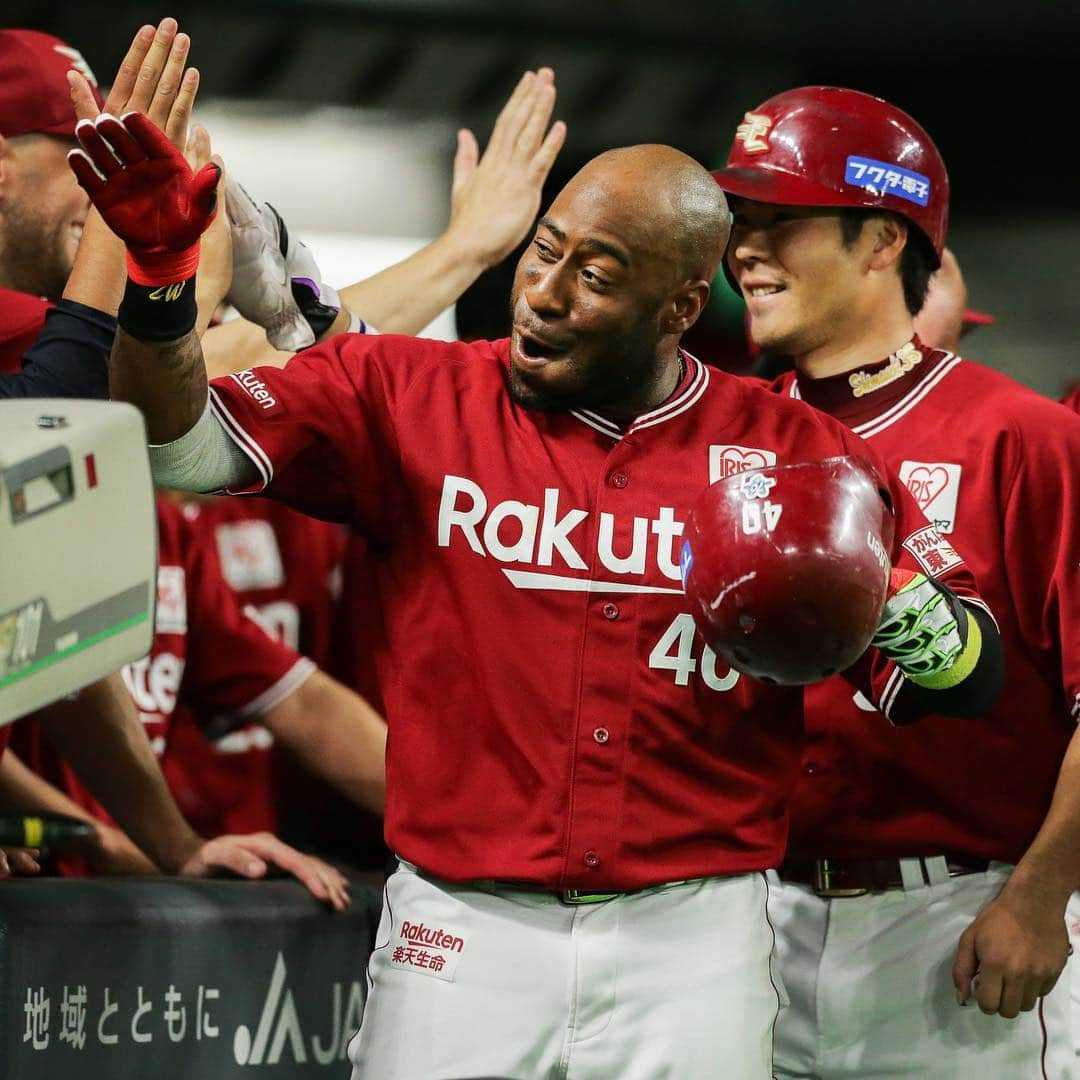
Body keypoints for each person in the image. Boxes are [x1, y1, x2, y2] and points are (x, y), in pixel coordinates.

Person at [75, 107, 1002, 1077]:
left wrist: (885, 591)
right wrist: (159, 282)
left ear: (682, 306)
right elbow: (172, 444)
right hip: (459, 935)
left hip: (693, 944)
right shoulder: (408, 393)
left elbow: (967, 673)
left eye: (596, 275)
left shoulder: (793, 450)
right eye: (543, 253)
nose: (544, 296)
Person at [711, 86, 1080, 1077]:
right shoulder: (723, 437)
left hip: (957, 923)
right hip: (750, 925)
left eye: (779, 220)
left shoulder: (1024, 438)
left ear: (881, 241)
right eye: (739, 220)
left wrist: (1041, 897)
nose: (744, 246)